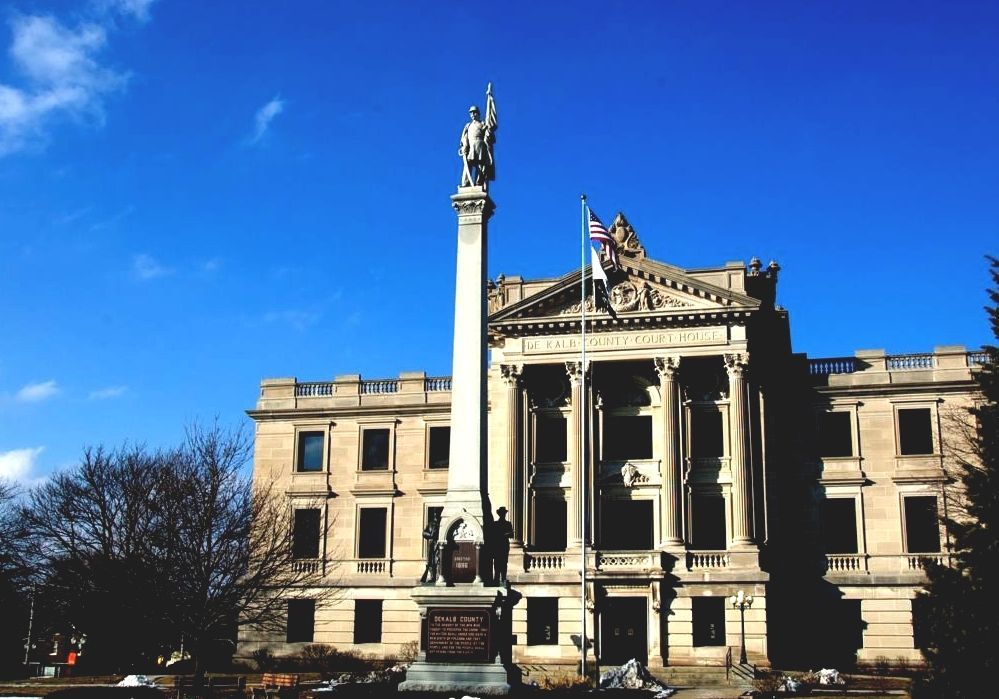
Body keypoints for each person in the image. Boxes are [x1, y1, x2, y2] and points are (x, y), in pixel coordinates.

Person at [459, 105, 493, 187]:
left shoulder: (483, 124)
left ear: (478, 113)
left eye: (474, 113)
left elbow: (489, 137)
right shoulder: (468, 125)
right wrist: (464, 147)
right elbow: (464, 137)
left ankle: (479, 183)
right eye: (471, 113)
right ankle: (465, 183)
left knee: (480, 166)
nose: (473, 115)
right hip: (471, 146)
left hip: (480, 145)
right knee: (468, 165)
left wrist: (488, 130)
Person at [491, 506, 514, 585]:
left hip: (504, 546)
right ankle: (496, 579)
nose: (503, 514)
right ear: (499, 514)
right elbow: (492, 535)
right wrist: (503, 534)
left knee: (504, 563)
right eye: (502, 513)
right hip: (497, 546)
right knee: (497, 563)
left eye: (504, 513)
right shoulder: (495, 524)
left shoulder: (508, 523)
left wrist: (503, 534)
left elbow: (511, 534)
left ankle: (503, 578)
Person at [420, 511, 441, 583]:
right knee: (430, 562)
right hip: (431, 543)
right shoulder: (430, 524)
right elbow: (424, 533)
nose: (436, 517)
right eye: (435, 515)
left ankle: (438, 577)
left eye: (437, 515)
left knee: (437, 560)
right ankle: (432, 577)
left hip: (437, 544)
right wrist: (430, 535)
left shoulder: (441, 524)